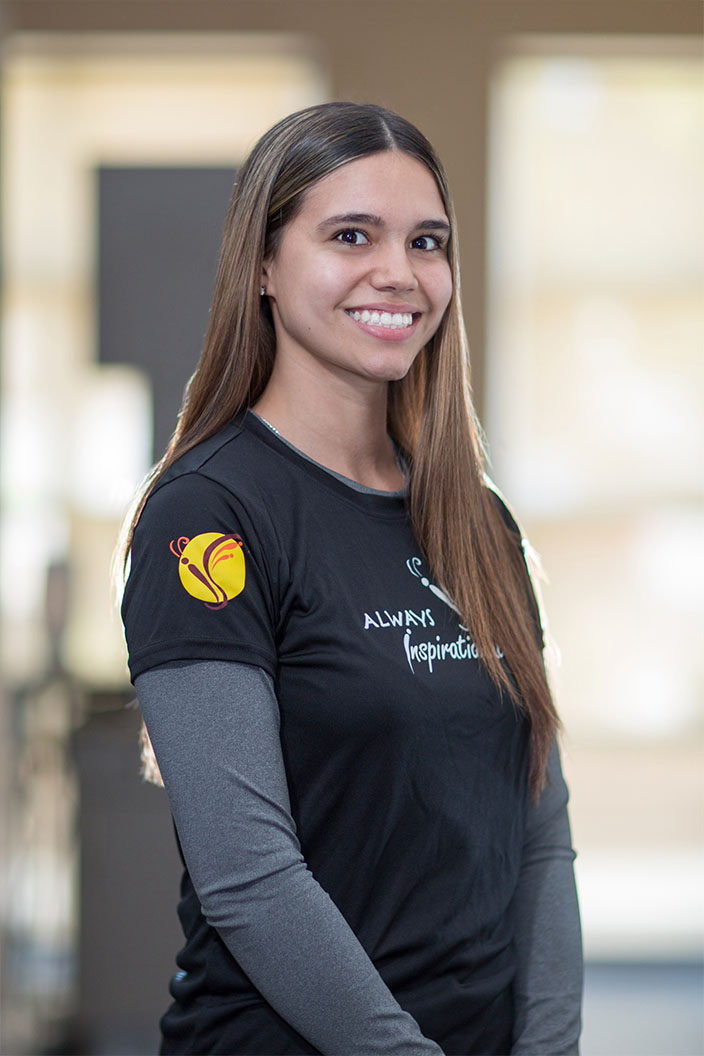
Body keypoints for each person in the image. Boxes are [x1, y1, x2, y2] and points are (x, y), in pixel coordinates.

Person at [120, 101, 583, 1055]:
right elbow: (248, 879)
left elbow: (539, 838)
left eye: (426, 241)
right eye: (349, 236)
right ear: (262, 265)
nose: (398, 273)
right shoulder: (208, 515)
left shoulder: (477, 518)